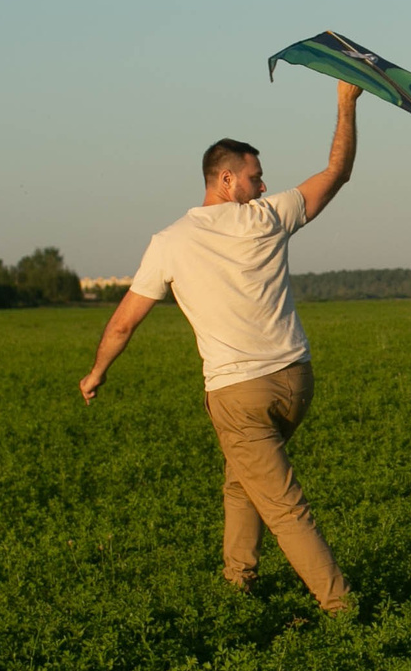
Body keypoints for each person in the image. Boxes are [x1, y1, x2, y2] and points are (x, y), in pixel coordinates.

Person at [79, 81, 363, 617]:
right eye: (256, 177)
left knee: (284, 506)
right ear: (226, 179)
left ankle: (341, 607)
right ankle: (238, 578)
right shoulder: (269, 218)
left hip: (237, 392)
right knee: (242, 479)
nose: (263, 185)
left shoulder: (169, 242)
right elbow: (336, 172)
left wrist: (97, 372)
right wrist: (346, 104)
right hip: (296, 383)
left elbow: (122, 324)